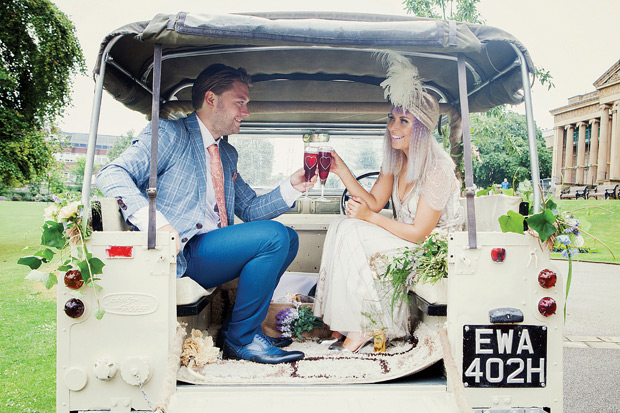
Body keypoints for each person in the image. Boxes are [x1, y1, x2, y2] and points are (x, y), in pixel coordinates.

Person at [97, 64, 317, 364]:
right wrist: (157, 224)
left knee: (288, 237)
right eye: (241, 102)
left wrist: (293, 187)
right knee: (276, 237)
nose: (247, 111)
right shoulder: (170, 134)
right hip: (181, 252)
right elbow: (112, 174)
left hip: (212, 249)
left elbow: (250, 210)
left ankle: (236, 331)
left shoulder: (226, 154)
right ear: (211, 99)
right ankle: (241, 342)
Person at [313, 52, 463, 352]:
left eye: (404, 121)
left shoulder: (438, 168)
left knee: (355, 229)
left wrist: (368, 218)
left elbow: (420, 232)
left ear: (421, 127)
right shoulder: (396, 160)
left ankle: (368, 326)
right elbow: (374, 201)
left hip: (431, 249)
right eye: (392, 119)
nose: (393, 127)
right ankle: (345, 322)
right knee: (342, 223)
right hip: (404, 238)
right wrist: (342, 170)